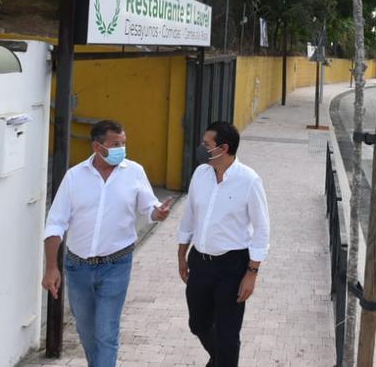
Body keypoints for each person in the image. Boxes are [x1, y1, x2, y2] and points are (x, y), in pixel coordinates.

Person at [42, 119, 171, 367]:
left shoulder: (134, 171)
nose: (121, 149)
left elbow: (149, 207)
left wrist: (159, 213)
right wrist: (51, 268)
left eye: (123, 143)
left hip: (116, 265)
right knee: (87, 333)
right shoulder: (74, 177)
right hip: (78, 268)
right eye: (115, 144)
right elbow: (55, 224)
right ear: (97, 147)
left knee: (106, 332)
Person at [178, 121, 271, 367]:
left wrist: (252, 273)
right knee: (197, 323)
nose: (201, 148)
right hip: (200, 261)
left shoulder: (249, 180)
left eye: (206, 144)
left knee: (228, 334)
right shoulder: (201, 174)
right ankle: (220, 360)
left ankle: (223, 360)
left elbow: (262, 230)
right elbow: (189, 216)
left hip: (232, 266)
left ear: (224, 148)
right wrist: (181, 255)